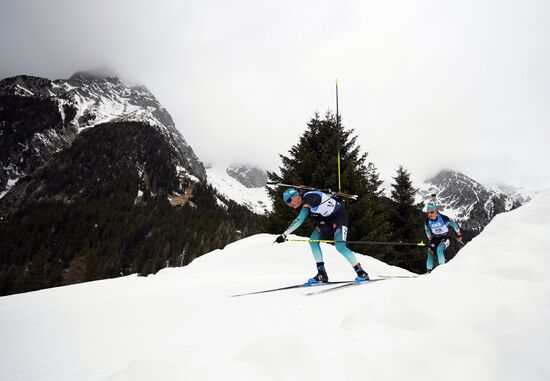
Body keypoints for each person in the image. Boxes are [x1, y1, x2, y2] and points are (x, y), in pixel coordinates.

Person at [274, 187, 369, 284]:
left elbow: (300, 219)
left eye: (289, 200)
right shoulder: (304, 201)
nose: (289, 204)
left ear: (296, 196)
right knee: (313, 241)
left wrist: (285, 234)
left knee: (340, 246)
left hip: (339, 217)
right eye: (286, 203)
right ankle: (321, 274)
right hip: (326, 220)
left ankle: (361, 272)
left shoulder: (309, 198)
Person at [424, 202, 463, 273]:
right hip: (435, 239)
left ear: (436, 211)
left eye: (432, 212)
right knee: (430, 252)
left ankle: (442, 270)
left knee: (439, 249)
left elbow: (454, 224)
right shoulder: (427, 221)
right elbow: (427, 229)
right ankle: (428, 272)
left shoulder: (443, 218)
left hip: (445, 238)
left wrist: (459, 235)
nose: (430, 214)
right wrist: (429, 238)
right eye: (428, 213)